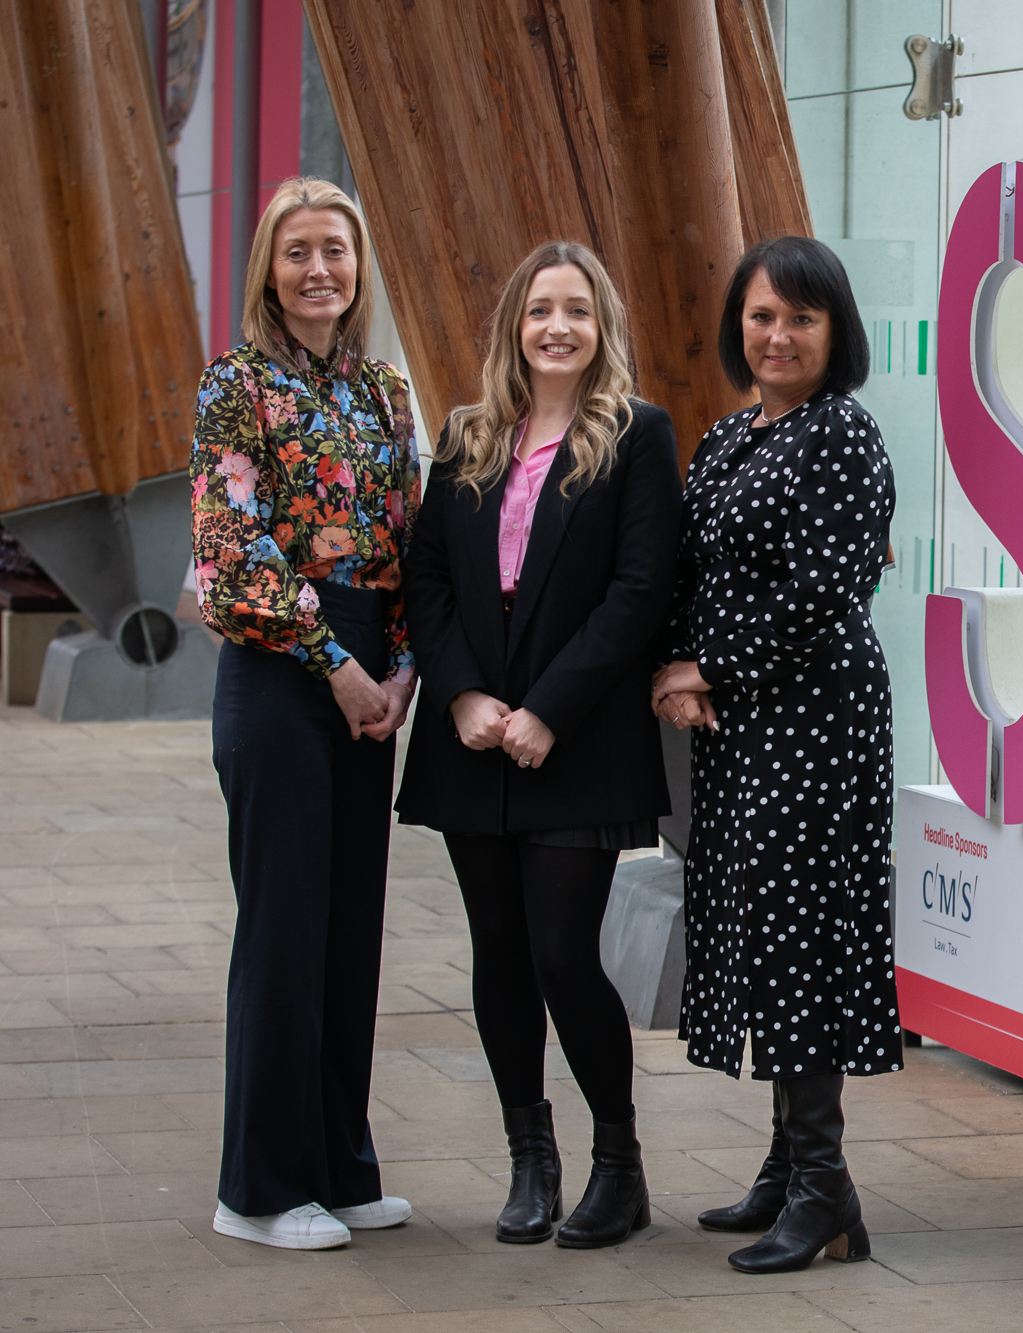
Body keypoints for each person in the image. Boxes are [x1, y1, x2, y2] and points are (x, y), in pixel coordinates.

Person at [397, 241, 680, 1249]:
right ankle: (529, 1157)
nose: (556, 326)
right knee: (499, 954)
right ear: (512, 325)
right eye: (538, 310)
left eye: (577, 310)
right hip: (473, 737)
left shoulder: (636, 435)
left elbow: (641, 588)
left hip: (581, 738)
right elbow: (424, 577)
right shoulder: (469, 436)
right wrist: (464, 693)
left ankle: (618, 1165)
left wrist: (549, 707)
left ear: (600, 326)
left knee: (565, 952)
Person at [654, 236, 900, 1274]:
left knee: (800, 929)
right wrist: (678, 660)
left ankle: (821, 1188)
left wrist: (704, 666)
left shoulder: (843, 435)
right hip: (743, 721)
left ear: (834, 332)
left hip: (813, 717)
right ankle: (786, 1163)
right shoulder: (726, 438)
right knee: (759, 923)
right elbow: (688, 568)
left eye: (800, 317)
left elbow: (820, 592)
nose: (778, 334)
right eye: (761, 315)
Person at [193, 177, 418, 1250]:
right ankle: (262, 1190)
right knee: (282, 931)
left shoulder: (383, 391)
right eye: (297, 252)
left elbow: (409, 540)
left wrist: (405, 665)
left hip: (373, 674)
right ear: (267, 271)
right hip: (283, 673)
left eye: (335, 249)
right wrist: (337, 663)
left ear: (359, 265)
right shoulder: (234, 385)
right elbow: (231, 551)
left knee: (346, 930)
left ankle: (338, 1160)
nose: (318, 268)